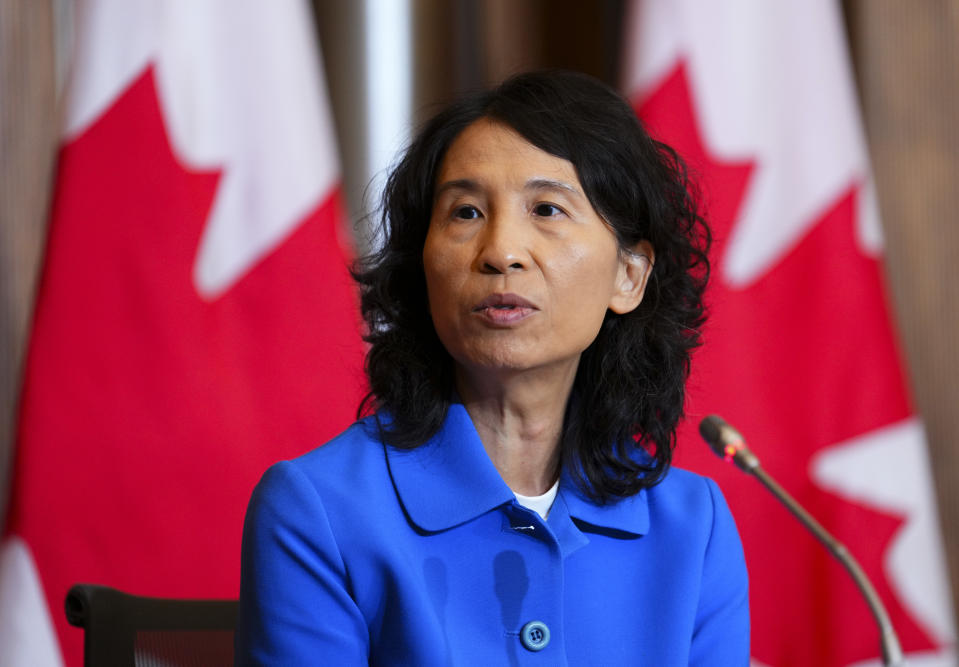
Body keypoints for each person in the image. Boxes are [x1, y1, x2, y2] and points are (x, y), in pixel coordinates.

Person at [236, 70, 749, 665]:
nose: (501, 251)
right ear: (420, 265)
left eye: (548, 209)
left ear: (628, 275)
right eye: (466, 213)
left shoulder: (692, 528)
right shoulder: (319, 510)